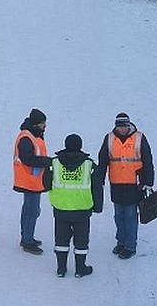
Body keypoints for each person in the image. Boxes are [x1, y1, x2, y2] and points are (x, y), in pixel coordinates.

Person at [44, 133, 103, 277]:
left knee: (61, 240)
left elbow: (45, 184)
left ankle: (61, 269)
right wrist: (97, 207)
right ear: (80, 146)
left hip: (61, 209)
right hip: (82, 210)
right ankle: (80, 269)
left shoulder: (54, 163)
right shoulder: (89, 164)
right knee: (81, 241)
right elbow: (97, 187)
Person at [97, 112, 154, 260]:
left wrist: (148, 182)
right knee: (118, 215)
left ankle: (130, 245)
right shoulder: (109, 138)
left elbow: (148, 160)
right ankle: (120, 242)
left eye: (125, 126)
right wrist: (99, 179)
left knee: (130, 215)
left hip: (134, 184)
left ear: (129, 125)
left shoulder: (139, 138)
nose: (123, 129)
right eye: (120, 126)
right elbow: (103, 160)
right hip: (116, 183)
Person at [13, 108, 51, 254]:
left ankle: (27, 237)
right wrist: (48, 162)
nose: (45, 126)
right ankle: (27, 240)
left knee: (30, 210)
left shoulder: (33, 135)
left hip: (33, 180)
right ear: (36, 124)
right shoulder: (26, 137)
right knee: (31, 210)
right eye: (42, 123)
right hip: (28, 180)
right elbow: (28, 159)